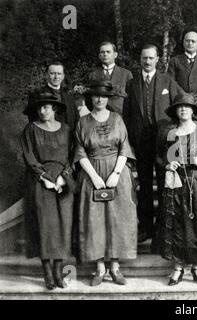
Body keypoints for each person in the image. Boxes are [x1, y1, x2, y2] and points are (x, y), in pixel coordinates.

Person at [75, 80, 137, 286]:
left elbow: (124, 148)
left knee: (116, 220)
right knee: (95, 221)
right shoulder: (83, 122)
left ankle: (115, 267)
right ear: (90, 98)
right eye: (95, 96)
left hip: (116, 174)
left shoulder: (117, 119)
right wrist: (94, 176)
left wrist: (116, 173)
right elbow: (80, 152)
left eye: (103, 96)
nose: (99, 99)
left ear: (108, 98)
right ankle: (100, 268)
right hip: (92, 174)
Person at [123, 44, 184, 243]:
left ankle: (163, 229)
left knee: (166, 183)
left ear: (158, 59)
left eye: (151, 58)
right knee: (145, 185)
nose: (147, 61)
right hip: (140, 141)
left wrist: (176, 132)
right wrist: (129, 141)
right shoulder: (132, 84)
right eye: (144, 58)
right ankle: (146, 227)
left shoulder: (167, 81)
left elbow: (180, 104)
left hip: (162, 141)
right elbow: (127, 114)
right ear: (140, 59)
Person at [156, 93, 197, 286]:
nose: (183, 109)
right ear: (175, 110)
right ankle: (178, 268)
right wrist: (167, 164)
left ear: (193, 110)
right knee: (177, 223)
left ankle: (196, 268)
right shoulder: (168, 131)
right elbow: (158, 156)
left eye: (187, 107)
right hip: (175, 182)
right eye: (180, 107)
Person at [21, 92, 75, 290]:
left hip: (63, 180)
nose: (42, 111)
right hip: (41, 181)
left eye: (46, 107)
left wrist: (64, 176)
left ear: (55, 109)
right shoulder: (31, 130)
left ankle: (60, 270)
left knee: (64, 224)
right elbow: (29, 157)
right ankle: (47, 272)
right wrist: (45, 179)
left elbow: (72, 156)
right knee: (45, 225)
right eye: (39, 107)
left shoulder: (67, 129)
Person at [24, 61, 79, 133]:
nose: (56, 77)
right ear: (46, 75)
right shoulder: (36, 95)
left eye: (59, 74)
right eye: (52, 73)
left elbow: (76, 119)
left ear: (63, 76)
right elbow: (33, 121)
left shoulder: (69, 97)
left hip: (68, 140)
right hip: (47, 139)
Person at [89, 42, 133, 115]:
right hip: (99, 117)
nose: (105, 54)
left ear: (115, 55)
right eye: (102, 52)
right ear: (99, 56)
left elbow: (132, 100)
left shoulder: (126, 74)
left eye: (108, 52)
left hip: (120, 117)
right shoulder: (93, 75)